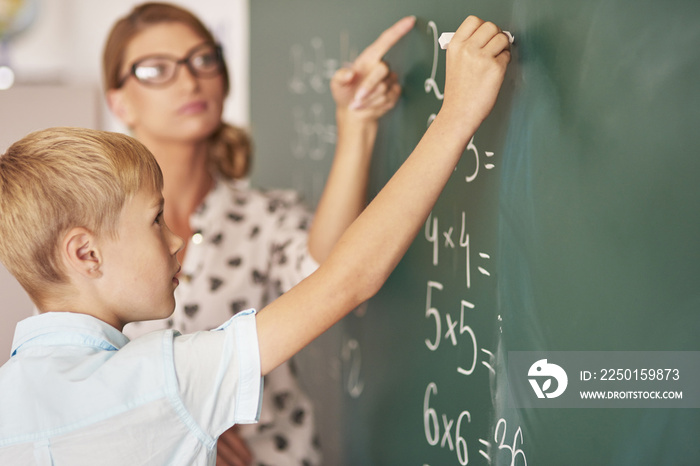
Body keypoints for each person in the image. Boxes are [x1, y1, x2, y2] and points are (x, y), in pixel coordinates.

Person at [0, 15, 511, 466]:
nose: (180, 240)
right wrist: (457, 114)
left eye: (203, 60)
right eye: (156, 221)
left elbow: (324, 269)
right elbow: (345, 280)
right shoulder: (166, 380)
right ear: (85, 253)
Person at [102, 3, 414, 464]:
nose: (190, 82)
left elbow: (331, 276)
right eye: (156, 70)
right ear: (118, 102)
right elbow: (66, 365)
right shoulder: (94, 233)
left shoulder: (266, 216)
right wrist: (176, 425)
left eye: (203, 59)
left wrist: (356, 124)